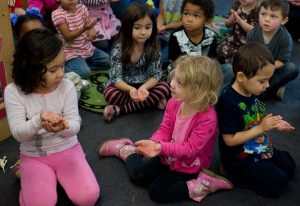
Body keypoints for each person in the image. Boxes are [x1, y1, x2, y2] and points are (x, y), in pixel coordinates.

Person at [98, 55, 233, 203]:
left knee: (157, 192)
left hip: (188, 165)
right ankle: (125, 149)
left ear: (197, 90)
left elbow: (190, 151)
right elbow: (165, 129)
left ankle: (204, 184)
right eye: (174, 78)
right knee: (138, 176)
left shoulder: (207, 118)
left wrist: (159, 147)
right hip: (167, 155)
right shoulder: (174, 102)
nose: (172, 84)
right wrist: (153, 143)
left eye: (179, 82)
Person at [4, 29, 100, 206]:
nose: (61, 74)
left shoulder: (67, 87)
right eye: (53, 69)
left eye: (63, 65)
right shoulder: (13, 92)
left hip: (67, 149)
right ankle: (26, 172)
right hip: (34, 155)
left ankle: (45, 177)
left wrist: (64, 126)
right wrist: (38, 120)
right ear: (31, 69)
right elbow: (18, 133)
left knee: (88, 198)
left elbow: (75, 124)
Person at [217, 42, 296, 198]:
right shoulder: (227, 102)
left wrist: (273, 123)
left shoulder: (254, 91)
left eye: (269, 79)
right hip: (239, 158)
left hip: (258, 145)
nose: (267, 85)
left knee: (289, 165)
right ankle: (232, 175)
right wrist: (261, 128)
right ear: (241, 77)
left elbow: (255, 117)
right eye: (262, 81)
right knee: (278, 182)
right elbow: (230, 140)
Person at [103, 2, 170, 122]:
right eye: (137, 27)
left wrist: (144, 88)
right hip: (125, 87)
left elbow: (156, 74)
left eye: (148, 27)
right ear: (128, 28)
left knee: (164, 87)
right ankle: (151, 102)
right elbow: (116, 78)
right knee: (110, 94)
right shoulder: (119, 49)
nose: (143, 32)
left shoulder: (153, 47)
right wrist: (130, 90)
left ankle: (120, 109)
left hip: (146, 86)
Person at [168, 0, 234, 88]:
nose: (189, 19)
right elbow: (175, 63)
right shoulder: (176, 36)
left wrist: (206, 73)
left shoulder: (211, 36)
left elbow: (212, 60)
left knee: (229, 70)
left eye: (196, 16)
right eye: (186, 13)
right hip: (184, 73)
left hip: (204, 72)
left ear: (207, 20)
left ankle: (213, 94)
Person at [246, 0, 299, 99]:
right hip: (255, 68)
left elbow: (282, 61)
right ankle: (272, 90)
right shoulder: (252, 34)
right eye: (263, 14)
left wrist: (266, 69)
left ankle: (261, 93)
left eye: (273, 16)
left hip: (274, 69)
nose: (266, 19)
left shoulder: (285, 38)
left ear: (283, 20)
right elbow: (248, 56)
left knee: (291, 69)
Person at [52, 0, 110, 78]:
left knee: (109, 61)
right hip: (72, 52)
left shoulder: (82, 8)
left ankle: (83, 66)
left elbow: (89, 25)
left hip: (87, 48)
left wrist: (92, 33)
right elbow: (68, 37)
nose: (71, 0)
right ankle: (63, 68)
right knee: (85, 73)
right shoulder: (57, 14)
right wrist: (84, 29)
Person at [157, 0, 184, 66]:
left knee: (162, 61)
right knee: (149, 54)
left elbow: (183, 22)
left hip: (177, 37)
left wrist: (165, 27)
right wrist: (159, 27)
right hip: (163, 33)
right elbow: (161, 15)